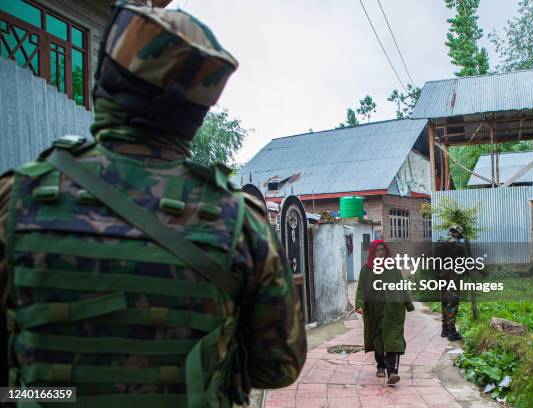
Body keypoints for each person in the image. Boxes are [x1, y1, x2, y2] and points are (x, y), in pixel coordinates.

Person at [0, 1, 306, 406]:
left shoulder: (15, 200)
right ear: (196, 113)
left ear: (104, 83)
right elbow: (279, 365)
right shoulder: (240, 223)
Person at [354, 240, 414, 385]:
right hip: (374, 311)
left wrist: (408, 303)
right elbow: (361, 288)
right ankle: (380, 365)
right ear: (373, 253)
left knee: (393, 338)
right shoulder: (366, 269)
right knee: (378, 340)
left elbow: (401, 286)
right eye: (377, 250)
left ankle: (392, 372)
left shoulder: (393, 268)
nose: (380, 253)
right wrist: (359, 304)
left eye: (382, 250)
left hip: (392, 310)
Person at [437, 225, 465, 341]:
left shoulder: (439, 242)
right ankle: (451, 332)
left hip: (441, 277)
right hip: (453, 278)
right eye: (460, 235)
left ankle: (444, 329)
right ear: (457, 233)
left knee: (444, 303)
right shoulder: (457, 244)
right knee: (452, 304)